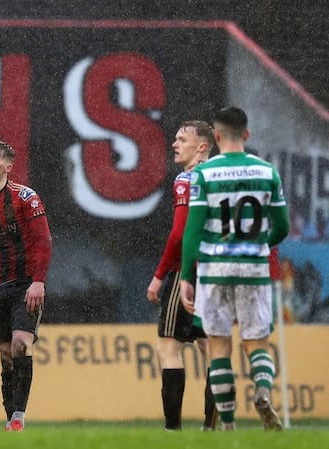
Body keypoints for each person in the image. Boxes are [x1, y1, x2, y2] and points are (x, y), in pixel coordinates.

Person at [179, 106, 290, 432]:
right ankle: (263, 392)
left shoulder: (204, 174)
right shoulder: (267, 172)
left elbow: (193, 231)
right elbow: (282, 226)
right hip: (253, 269)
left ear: (215, 136)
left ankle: (228, 426)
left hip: (214, 270)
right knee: (257, 343)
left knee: (219, 346)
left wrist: (187, 276)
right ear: (246, 135)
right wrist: (257, 244)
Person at [0, 141, 52, 432]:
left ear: (8, 167)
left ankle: (19, 417)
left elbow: (44, 241)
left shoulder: (25, 198)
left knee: (19, 346)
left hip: (26, 285)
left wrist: (38, 281)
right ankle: (9, 420)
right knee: (5, 357)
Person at [146, 121, 217, 431]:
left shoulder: (187, 178)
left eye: (182, 139)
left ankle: (172, 428)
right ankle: (212, 425)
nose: (174, 144)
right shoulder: (219, 178)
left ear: (201, 147)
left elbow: (179, 234)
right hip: (217, 271)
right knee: (213, 351)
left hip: (187, 271)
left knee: (169, 347)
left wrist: (161, 275)